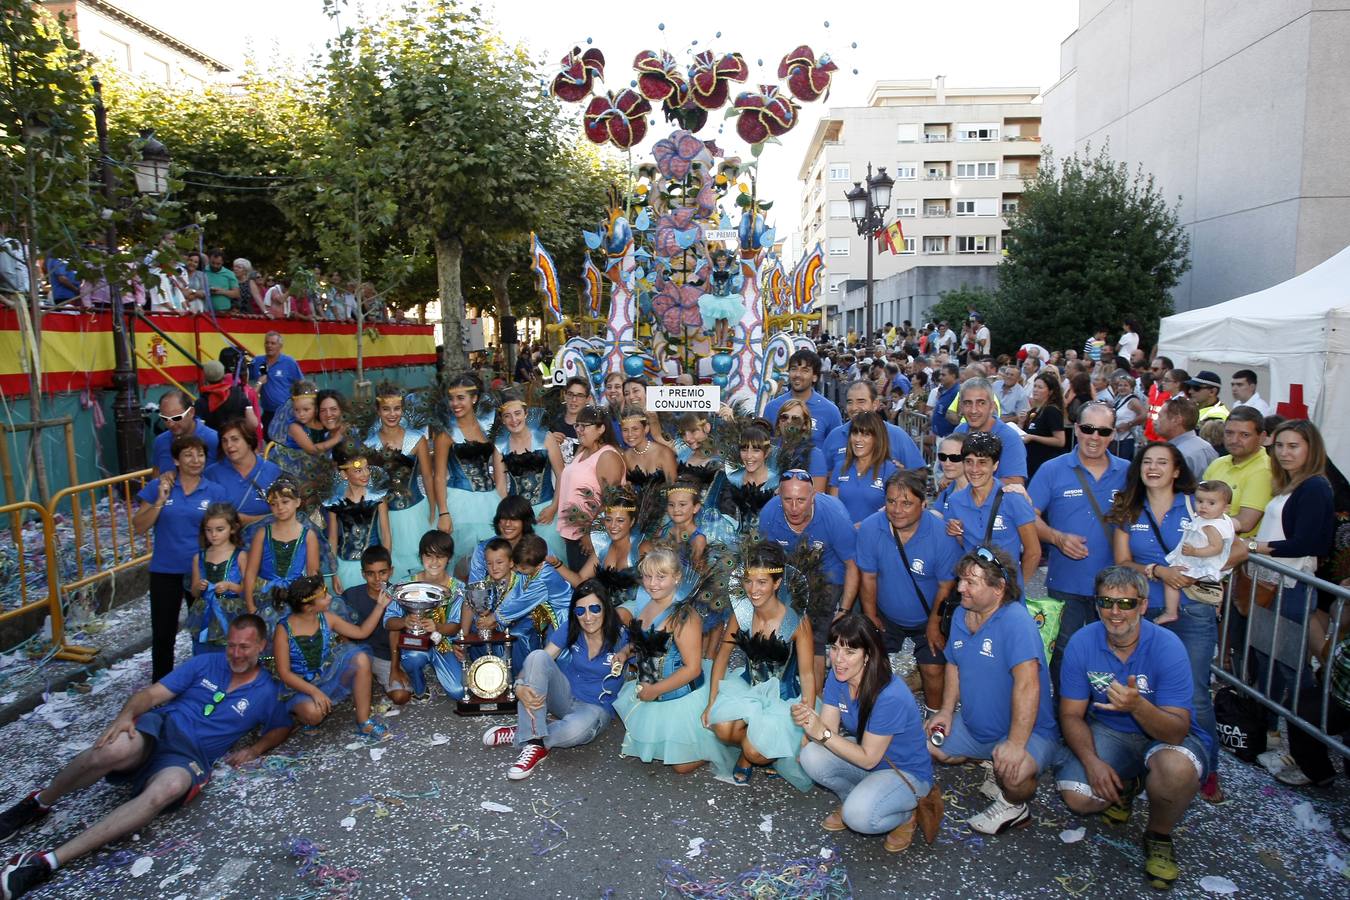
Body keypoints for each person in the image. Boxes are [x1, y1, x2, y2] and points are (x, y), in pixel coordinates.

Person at [0, 616, 291, 900]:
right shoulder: (205, 663)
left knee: (169, 788)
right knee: (112, 748)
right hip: (161, 727)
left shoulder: (267, 690)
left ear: (262, 646)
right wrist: (125, 717)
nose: (236, 653)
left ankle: (45, 861)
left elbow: (281, 726)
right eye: (231, 645)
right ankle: (39, 802)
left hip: (190, 755)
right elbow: (150, 695)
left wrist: (253, 750)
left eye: (244, 647)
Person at [1055, 566, 1212, 892]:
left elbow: (1176, 732)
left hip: (1166, 736)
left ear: (1142, 605)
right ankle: (1129, 781)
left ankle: (1158, 834)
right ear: (1096, 605)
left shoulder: (1168, 647)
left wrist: (1137, 706)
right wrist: (1093, 763)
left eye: (1126, 603)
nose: (1115, 612)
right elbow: (1070, 715)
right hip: (1112, 732)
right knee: (1077, 795)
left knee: (1175, 769)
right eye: (1106, 602)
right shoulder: (1082, 642)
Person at [1106, 441, 1223, 799]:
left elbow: (1232, 542)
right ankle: (1147, 766)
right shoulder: (1129, 507)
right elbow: (1122, 561)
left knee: (1197, 694)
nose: (1153, 468)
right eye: (1147, 462)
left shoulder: (1196, 504)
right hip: (1142, 611)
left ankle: (1207, 769)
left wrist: (1212, 567)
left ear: (1176, 470)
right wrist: (1157, 570)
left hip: (1192, 611)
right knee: (1145, 690)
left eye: (1162, 462)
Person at [927, 547, 1059, 835]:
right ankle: (991, 760)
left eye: (971, 582)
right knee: (930, 743)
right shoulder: (963, 614)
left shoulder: (1016, 622)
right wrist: (947, 711)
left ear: (999, 588)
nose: (960, 587)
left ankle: (1014, 805)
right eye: (961, 579)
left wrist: (1015, 743)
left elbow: (1028, 685)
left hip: (1029, 731)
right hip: (979, 726)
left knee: (1015, 772)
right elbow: (953, 664)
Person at [792, 614, 937, 852]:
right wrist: (810, 726)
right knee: (811, 755)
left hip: (903, 772)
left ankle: (905, 816)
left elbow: (868, 758)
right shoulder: (839, 678)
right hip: (869, 761)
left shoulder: (889, 695)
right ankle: (852, 797)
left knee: (859, 818)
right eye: (835, 648)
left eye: (850, 652)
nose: (838, 659)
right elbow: (825, 729)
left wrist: (823, 735)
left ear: (868, 656)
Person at [482, 580, 629, 780]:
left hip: (595, 708)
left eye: (595, 609)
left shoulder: (620, 635)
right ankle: (535, 742)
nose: (587, 617)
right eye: (580, 611)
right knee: (537, 657)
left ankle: (524, 733)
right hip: (564, 694)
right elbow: (541, 659)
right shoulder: (572, 627)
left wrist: (626, 652)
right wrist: (518, 686)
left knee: (576, 732)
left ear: (606, 609)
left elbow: (642, 651)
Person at [1029, 401, 1131, 689]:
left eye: (1103, 431)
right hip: (1067, 583)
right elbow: (1028, 517)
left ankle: (1104, 718)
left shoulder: (1128, 472)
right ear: (1076, 429)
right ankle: (1066, 718)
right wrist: (1056, 538)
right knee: (1064, 652)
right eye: (1088, 429)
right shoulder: (1052, 469)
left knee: (1113, 652)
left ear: (1112, 435)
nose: (1094, 437)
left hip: (1115, 585)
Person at [613, 548, 735, 777]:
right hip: (651, 690)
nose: (653, 583)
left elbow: (693, 668)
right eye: (648, 576)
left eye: (661, 576)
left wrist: (656, 690)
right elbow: (644, 641)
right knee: (657, 748)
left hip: (680, 695)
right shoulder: (648, 604)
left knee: (680, 766)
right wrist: (624, 652)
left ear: (677, 577)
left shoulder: (684, 616)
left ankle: (721, 748)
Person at [704, 542, 816, 789]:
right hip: (748, 689)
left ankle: (751, 755)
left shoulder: (795, 622)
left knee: (755, 753)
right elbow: (722, 657)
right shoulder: (742, 613)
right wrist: (711, 702)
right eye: (748, 581)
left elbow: (807, 676)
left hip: (783, 699)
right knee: (721, 727)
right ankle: (756, 744)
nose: (753, 590)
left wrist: (808, 727)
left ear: (777, 584)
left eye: (762, 582)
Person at [857, 470, 960, 711]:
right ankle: (871, 714)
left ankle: (935, 717)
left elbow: (946, 586)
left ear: (924, 504)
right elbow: (868, 577)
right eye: (891, 501)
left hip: (928, 614)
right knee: (868, 661)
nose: (896, 509)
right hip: (886, 612)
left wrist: (935, 625)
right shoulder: (872, 528)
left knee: (933, 668)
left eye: (906, 503)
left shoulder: (941, 535)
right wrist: (871, 615)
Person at [133, 435, 229, 682]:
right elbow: (139, 526)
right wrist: (160, 500)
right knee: (163, 634)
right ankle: (161, 685)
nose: (195, 460)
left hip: (203, 571)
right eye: (188, 455)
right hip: (165, 570)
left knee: (205, 631)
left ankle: (205, 681)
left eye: (200, 455)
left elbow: (226, 530)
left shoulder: (215, 491)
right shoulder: (159, 486)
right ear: (176, 459)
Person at [758, 473, 859, 687]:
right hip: (790, 569)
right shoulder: (769, 514)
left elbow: (852, 565)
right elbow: (766, 564)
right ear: (779, 496)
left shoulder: (835, 517)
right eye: (788, 500)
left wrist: (843, 612)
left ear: (813, 496)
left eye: (801, 500)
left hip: (829, 572)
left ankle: (816, 696)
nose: (794, 507)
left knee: (816, 636)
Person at [272, 575, 392, 738]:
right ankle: (300, 716)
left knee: (361, 658)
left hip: (326, 674)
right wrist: (314, 692)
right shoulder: (284, 629)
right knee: (314, 714)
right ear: (309, 608)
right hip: (298, 686)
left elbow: (361, 632)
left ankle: (364, 721)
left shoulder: (327, 618)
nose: (329, 597)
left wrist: (379, 606)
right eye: (324, 596)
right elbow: (284, 673)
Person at [943, 432, 1040, 590]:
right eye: (969, 462)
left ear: (995, 465)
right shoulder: (955, 502)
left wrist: (1016, 589)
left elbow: (1033, 551)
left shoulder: (1013, 498)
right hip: (972, 591)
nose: (974, 469)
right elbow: (963, 546)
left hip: (1007, 591)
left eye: (982, 462)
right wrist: (956, 533)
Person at [384, 530, 464, 704]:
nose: (434, 562)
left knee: (459, 692)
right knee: (412, 658)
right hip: (415, 641)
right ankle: (419, 687)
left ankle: (440, 667)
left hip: (444, 644)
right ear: (420, 557)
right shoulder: (406, 584)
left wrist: (437, 627)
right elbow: (389, 622)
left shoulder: (457, 588)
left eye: (440, 556)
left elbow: (456, 626)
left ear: (449, 558)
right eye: (428, 556)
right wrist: (405, 621)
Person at [432, 372, 501, 574]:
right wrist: (444, 512)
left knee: (492, 560)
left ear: (474, 398)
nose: (455, 403)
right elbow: (438, 475)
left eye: (461, 398)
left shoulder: (487, 428)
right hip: (459, 504)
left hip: (490, 501)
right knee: (459, 564)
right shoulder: (445, 433)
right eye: (452, 398)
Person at [365, 383, 436, 581]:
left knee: (423, 562)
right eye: (386, 409)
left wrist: (433, 508)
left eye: (397, 408)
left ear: (402, 410)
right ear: (378, 411)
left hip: (417, 512)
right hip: (387, 517)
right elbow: (372, 488)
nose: (392, 414)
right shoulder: (370, 445)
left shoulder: (416, 439)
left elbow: (428, 476)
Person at [556, 405, 626, 571]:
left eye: (584, 426)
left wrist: (592, 534)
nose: (579, 430)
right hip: (574, 536)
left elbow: (612, 500)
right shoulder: (582, 451)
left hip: (592, 539)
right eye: (577, 425)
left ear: (601, 428)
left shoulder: (607, 456)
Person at [242, 477, 321, 621]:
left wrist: (313, 603)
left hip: (297, 597)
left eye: (285, 502)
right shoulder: (262, 534)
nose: (280, 507)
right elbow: (250, 572)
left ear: (297, 502)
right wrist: (250, 606)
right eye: (274, 504)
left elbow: (313, 575)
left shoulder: (308, 536)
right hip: (265, 597)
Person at [1158, 481, 1234, 623]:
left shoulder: (1210, 526)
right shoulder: (1219, 519)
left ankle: (1170, 611)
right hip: (1206, 564)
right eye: (1199, 501)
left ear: (1226, 508)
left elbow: (1216, 547)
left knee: (1171, 580)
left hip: (1203, 564)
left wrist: (1195, 551)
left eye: (1211, 503)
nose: (1203, 506)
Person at [339, 547, 404, 703]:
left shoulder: (400, 596)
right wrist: (350, 655)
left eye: (382, 572)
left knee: (401, 696)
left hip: (386, 655)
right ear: (363, 574)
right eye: (370, 573)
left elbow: (397, 633)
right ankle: (365, 676)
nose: (377, 579)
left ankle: (378, 675)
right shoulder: (351, 595)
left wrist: (395, 668)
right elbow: (340, 628)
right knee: (338, 692)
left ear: (391, 571)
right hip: (359, 654)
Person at [324, 447, 390, 595]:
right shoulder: (335, 500)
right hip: (345, 566)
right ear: (344, 474)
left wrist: (385, 568)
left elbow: (385, 534)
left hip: (373, 567)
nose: (366, 474)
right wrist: (334, 573)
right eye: (359, 471)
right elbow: (333, 538)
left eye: (367, 469)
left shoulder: (377, 496)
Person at [820, 380, 925, 472]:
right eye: (850, 402)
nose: (854, 408)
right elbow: (824, 475)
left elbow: (919, 472)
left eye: (861, 401)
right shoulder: (835, 436)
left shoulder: (896, 435)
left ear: (875, 404)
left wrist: (902, 475)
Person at [1202, 406, 1272, 541]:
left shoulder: (1264, 470)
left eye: (1244, 435)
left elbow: (1245, 523)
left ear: (1262, 437)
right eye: (1229, 433)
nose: (1234, 440)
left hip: (1236, 552)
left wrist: (1202, 526)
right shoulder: (1218, 463)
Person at [186, 502, 248, 656]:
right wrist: (199, 587)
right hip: (204, 613)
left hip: (231, 614)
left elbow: (249, 589)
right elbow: (193, 592)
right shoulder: (199, 557)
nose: (213, 534)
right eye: (208, 530)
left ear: (232, 528)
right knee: (203, 653)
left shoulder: (240, 556)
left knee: (230, 653)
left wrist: (230, 586)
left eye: (219, 529)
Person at [950, 378, 1028, 485]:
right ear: (961, 407)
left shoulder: (1009, 438)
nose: (973, 410)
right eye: (968, 403)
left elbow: (1015, 483)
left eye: (981, 403)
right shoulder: (959, 431)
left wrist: (970, 485)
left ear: (992, 407)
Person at [204, 418, 280, 527]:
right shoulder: (211, 474)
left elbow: (284, 512)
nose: (229, 445)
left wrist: (247, 520)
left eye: (234, 439)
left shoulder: (273, 471)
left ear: (249, 441)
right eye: (224, 440)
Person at [828, 412, 899, 526]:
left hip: (876, 538)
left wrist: (865, 526)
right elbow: (833, 510)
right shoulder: (840, 467)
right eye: (855, 433)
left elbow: (895, 511)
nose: (858, 439)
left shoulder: (890, 470)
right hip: (844, 538)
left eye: (866, 434)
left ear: (877, 438)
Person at [762, 348, 843, 446]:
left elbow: (837, 450)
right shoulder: (772, 407)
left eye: (805, 370)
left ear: (815, 377)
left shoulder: (830, 411)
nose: (797, 374)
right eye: (793, 369)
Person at [151, 389, 219, 477]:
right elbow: (156, 474)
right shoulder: (160, 441)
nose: (171, 424)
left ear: (191, 412)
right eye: (165, 418)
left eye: (176, 418)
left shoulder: (214, 440)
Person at [247, 331, 303, 433]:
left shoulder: (289, 362)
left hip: (286, 413)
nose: (269, 346)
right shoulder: (257, 361)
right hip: (268, 413)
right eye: (267, 343)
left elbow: (301, 385)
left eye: (273, 343)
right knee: (268, 441)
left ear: (280, 346)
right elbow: (244, 376)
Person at [1154, 396, 1218, 483]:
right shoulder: (1206, 447)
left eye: (1160, 416)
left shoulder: (1179, 454)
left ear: (1176, 420)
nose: (1155, 421)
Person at [195, 359, 260, 442]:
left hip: (215, 444)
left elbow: (199, 431)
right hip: (237, 441)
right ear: (223, 375)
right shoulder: (238, 393)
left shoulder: (200, 402)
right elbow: (253, 423)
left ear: (205, 377)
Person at [773, 401, 829, 491]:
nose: (789, 421)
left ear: (805, 425)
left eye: (795, 418)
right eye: (784, 417)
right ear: (779, 423)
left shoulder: (814, 455)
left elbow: (817, 495)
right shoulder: (769, 449)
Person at [1022, 372, 1067, 481]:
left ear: (1050, 392)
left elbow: (1060, 441)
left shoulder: (1051, 411)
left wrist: (1033, 438)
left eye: (1040, 387)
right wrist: (1021, 422)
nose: (1035, 390)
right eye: (1035, 386)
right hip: (1030, 463)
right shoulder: (1034, 410)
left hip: (1044, 463)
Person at [620, 405, 677, 490]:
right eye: (625, 430)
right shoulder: (625, 457)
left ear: (646, 429)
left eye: (635, 429)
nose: (630, 434)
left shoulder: (664, 453)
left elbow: (674, 488)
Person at [1108, 370, 1147, 462]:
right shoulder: (1118, 399)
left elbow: (1144, 414)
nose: (1122, 388)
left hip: (1127, 439)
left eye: (1126, 385)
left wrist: (1129, 424)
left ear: (1132, 388)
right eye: (1120, 385)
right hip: (1117, 439)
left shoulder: (1133, 400)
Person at [1143, 356, 1174, 442]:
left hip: (1163, 439)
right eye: (1151, 368)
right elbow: (1150, 411)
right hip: (1149, 436)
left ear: (1166, 370)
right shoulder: (1153, 387)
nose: (1151, 371)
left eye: (1155, 369)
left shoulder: (1172, 391)